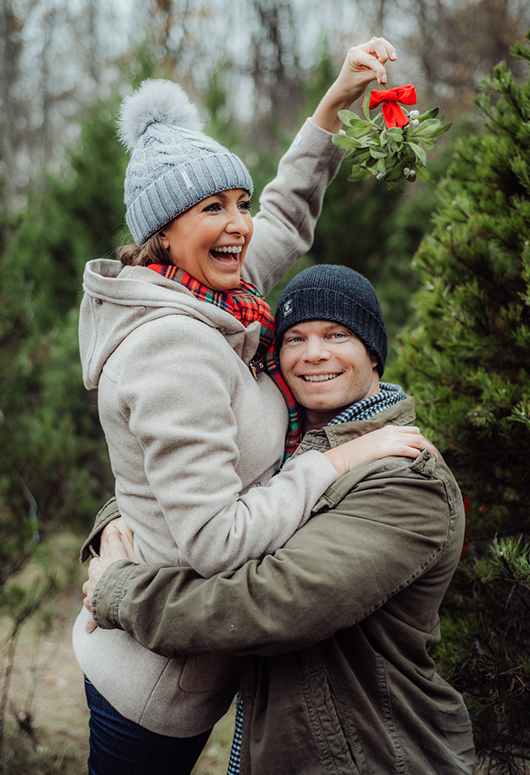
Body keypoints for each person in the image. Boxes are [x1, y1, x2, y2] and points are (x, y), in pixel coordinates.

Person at [73, 39, 435, 775]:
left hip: (195, 645)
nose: (239, 223)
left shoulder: (217, 297)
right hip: (154, 679)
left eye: (239, 201)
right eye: (213, 208)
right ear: (163, 235)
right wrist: (335, 460)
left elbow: (287, 217)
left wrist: (332, 110)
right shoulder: (177, 345)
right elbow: (215, 542)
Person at [84, 265, 476, 775]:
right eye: (296, 338)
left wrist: (122, 592)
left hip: (372, 751)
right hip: (293, 748)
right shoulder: (292, 448)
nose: (314, 353)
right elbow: (197, 481)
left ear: (373, 354)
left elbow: (270, 603)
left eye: (337, 335)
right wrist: (117, 519)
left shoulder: (404, 478)